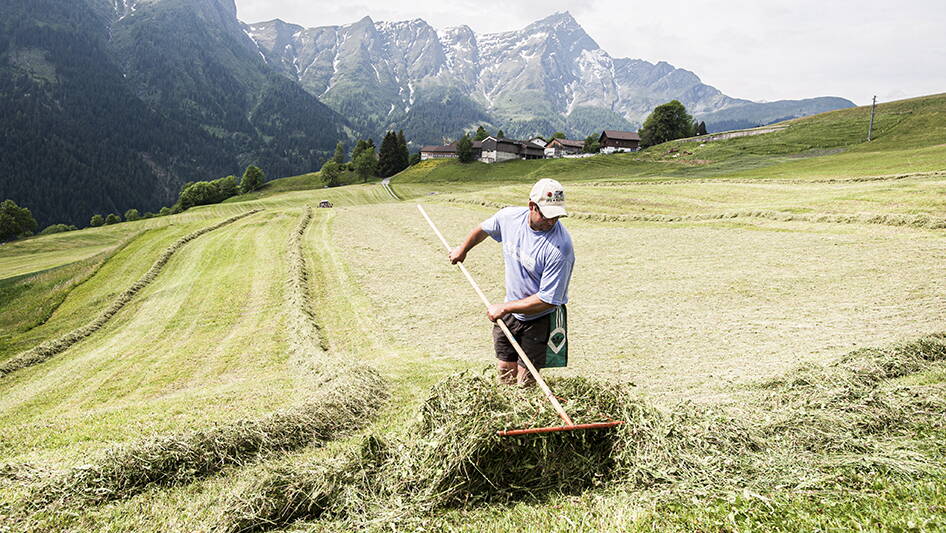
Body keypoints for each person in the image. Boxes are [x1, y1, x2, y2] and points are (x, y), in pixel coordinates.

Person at [449, 178, 574, 386]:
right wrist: (463, 250)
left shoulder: (560, 248)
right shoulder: (510, 217)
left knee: (526, 381)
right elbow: (483, 229)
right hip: (510, 311)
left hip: (538, 318)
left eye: (557, 216)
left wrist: (504, 308)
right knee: (505, 371)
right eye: (547, 216)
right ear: (532, 206)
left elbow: (548, 300)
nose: (552, 222)